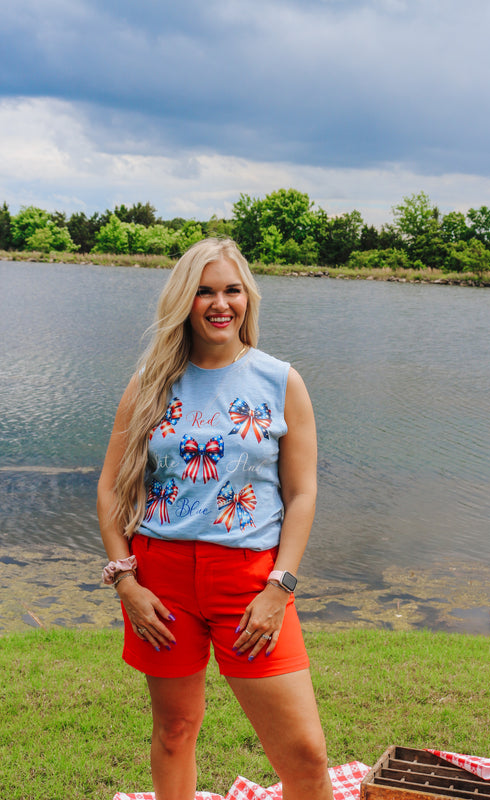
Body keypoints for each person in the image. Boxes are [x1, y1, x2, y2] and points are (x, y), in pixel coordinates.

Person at [97, 237, 333, 800]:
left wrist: (281, 585)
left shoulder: (280, 381)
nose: (219, 303)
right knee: (175, 731)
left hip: (252, 581)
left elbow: (302, 493)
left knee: (305, 755)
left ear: (247, 298)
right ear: (184, 301)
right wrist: (125, 580)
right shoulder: (149, 384)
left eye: (231, 290)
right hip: (162, 582)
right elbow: (110, 488)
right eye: (204, 291)